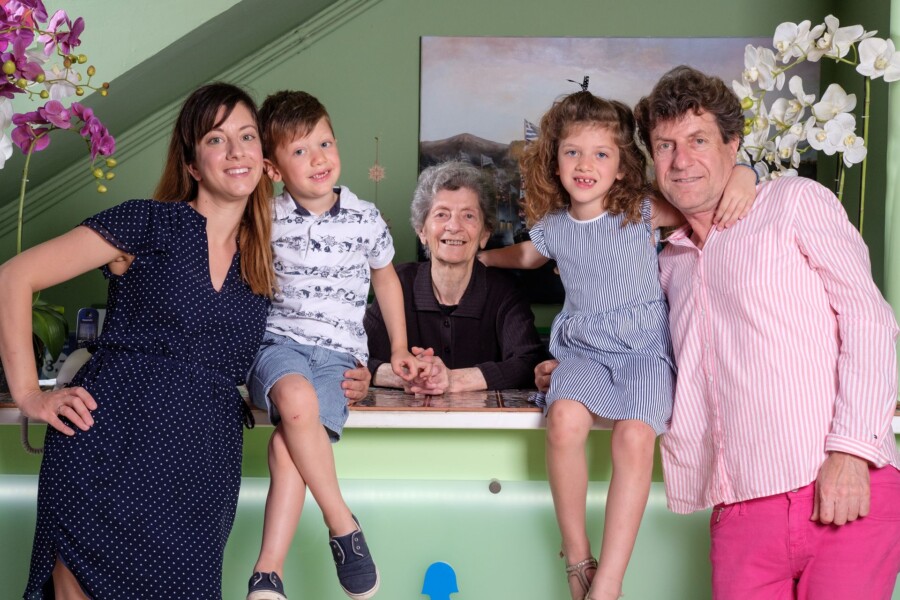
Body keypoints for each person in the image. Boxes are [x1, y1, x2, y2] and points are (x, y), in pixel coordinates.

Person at [0, 82, 282, 599]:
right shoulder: (148, 222)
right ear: (193, 164)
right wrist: (28, 394)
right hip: (104, 458)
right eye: (216, 139)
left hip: (201, 476)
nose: (236, 151)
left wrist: (353, 372)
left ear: (264, 158)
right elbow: (13, 277)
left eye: (247, 136)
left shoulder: (265, 260)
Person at [632, 65, 900, 599]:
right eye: (665, 146)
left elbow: (868, 319)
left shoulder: (793, 203)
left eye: (698, 140)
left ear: (732, 144)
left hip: (839, 482)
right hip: (740, 507)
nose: (681, 160)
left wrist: (851, 453)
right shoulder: (668, 263)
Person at [479, 89, 756, 600]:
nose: (585, 165)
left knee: (633, 437)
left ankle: (609, 579)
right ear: (555, 161)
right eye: (573, 152)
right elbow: (527, 257)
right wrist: (482, 259)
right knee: (563, 420)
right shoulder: (554, 227)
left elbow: (704, 202)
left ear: (623, 166)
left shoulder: (641, 210)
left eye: (601, 154)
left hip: (644, 350)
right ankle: (577, 557)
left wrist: (745, 174)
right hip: (584, 348)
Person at [244, 90, 422, 600]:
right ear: (272, 169)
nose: (318, 158)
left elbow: (385, 279)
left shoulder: (366, 217)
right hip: (279, 346)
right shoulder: (264, 218)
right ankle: (343, 524)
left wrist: (399, 348)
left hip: (340, 357)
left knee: (289, 444)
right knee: (296, 402)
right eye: (299, 151)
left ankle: (267, 574)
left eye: (324, 143)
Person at [363, 160, 546, 394]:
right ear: (422, 231)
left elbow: (529, 363)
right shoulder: (397, 283)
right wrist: (405, 377)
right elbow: (352, 357)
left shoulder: (504, 292)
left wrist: (453, 379)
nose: (454, 226)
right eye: (441, 214)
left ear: (484, 234)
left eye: (468, 216)